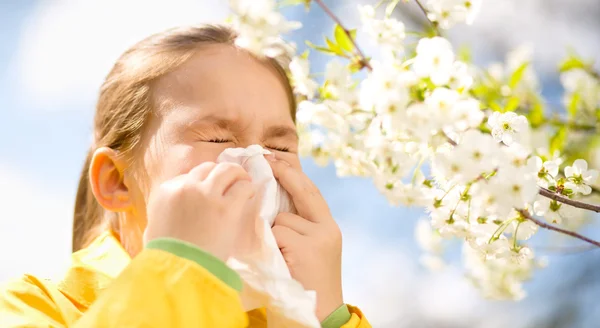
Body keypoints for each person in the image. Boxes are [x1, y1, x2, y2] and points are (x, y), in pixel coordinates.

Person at [0, 24, 371, 327]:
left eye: (281, 148)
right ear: (116, 181)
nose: (258, 163)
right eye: (218, 138)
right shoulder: (31, 308)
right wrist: (180, 268)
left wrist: (326, 316)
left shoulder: (278, 319)